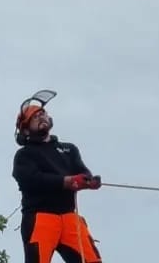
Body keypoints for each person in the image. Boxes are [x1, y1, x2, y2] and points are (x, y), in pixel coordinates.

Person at [12, 93, 104, 263]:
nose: (40, 117)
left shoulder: (69, 149)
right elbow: (31, 180)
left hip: (69, 217)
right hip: (41, 217)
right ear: (25, 129)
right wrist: (66, 182)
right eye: (34, 117)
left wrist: (89, 181)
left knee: (92, 260)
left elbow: (83, 172)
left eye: (42, 114)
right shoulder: (24, 155)